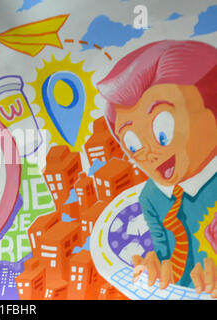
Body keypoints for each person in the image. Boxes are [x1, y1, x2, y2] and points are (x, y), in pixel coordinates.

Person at [96, 40, 216, 297]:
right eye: (132, 143)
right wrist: (158, 269)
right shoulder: (151, 197)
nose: (149, 153)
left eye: (163, 130)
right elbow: (165, 251)